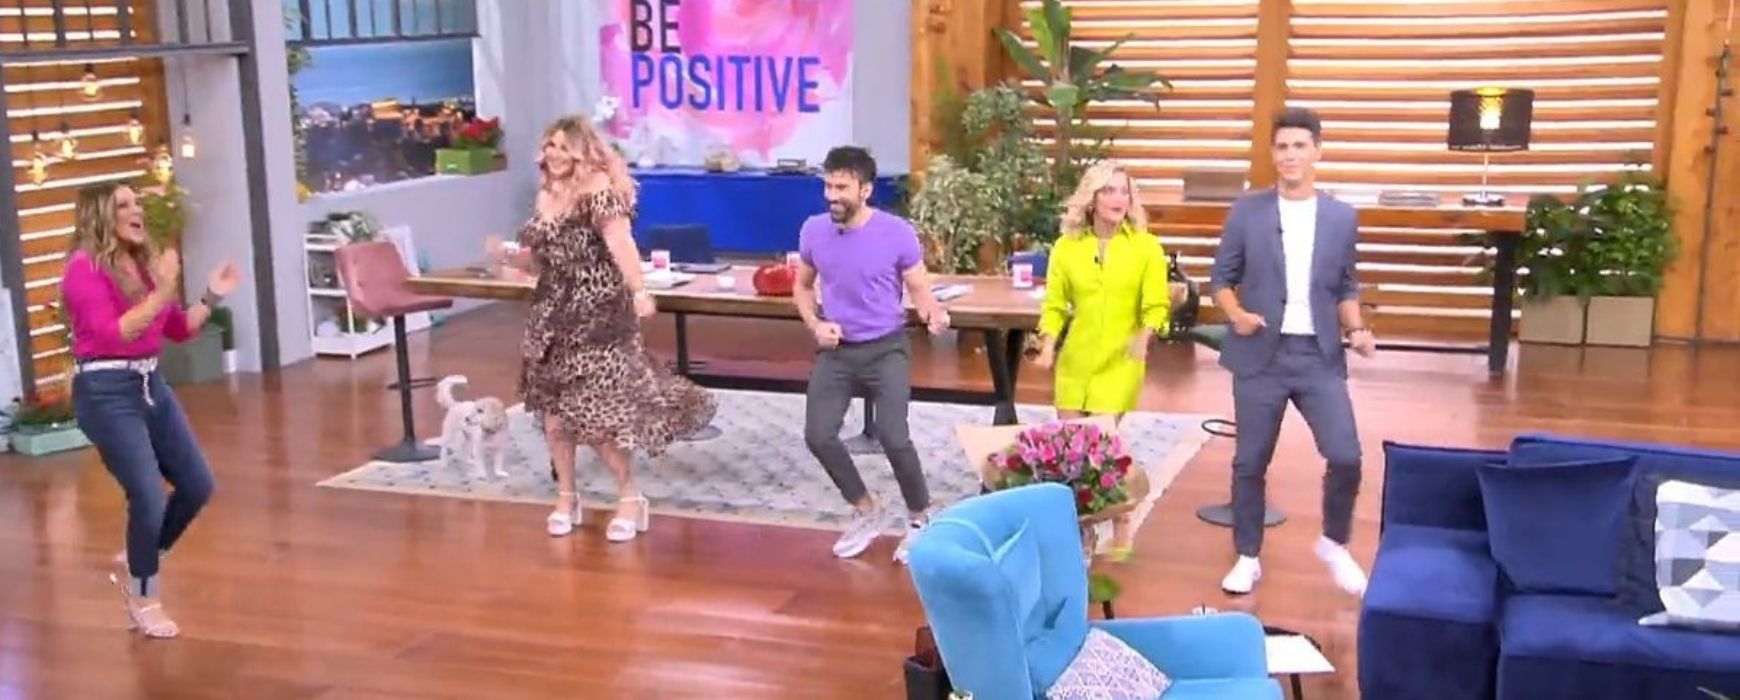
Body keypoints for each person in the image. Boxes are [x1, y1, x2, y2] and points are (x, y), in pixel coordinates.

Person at [488, 115, 716, 542]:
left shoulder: (599, 190)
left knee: (596, 419)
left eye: (563, 146)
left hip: (598, 317)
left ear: (582, 151)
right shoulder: (545, 195)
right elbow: (541, 261)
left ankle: (630, 498)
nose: (554, 154)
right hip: (551, 318)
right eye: (550, 145)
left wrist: (639, 290)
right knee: (555, 417)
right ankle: (566, 497)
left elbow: (622, 245)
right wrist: (508, 258)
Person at [60, 182, 241, 638]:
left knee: (197, 484)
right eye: (123, 205)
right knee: (148, 494)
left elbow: (179, 328)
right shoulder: (83, 269)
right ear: (100, 217)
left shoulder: (140, 268)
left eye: (136, 202)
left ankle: (143, 555)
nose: (136, 209)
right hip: (105, 391)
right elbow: (113, 333)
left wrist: (211, 295)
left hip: (150, 384)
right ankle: (144, 599)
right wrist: (161, 290)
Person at [1209, 107, 1376, 597]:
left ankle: (1334, 543)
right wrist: (1237, 315)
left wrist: (1357, 329)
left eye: (1300, 145)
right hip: (1260, 354)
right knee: (1250, 462)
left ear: (1317, 151)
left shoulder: (1341, 217)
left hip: (1318, 356)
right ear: (1272, 153)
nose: (1290, 155)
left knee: (1346, 455)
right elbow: (1221, 280)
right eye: (1282, 147)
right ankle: (1247, 555)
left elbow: (1345, 285)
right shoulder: (1248, 211)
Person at [795, 146, 950, 563]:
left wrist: (933, 314)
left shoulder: (896, 232)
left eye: (841, 188)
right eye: (828, 186)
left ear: (865, 190)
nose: (832, 196)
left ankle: (920, 517)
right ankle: (867, 510)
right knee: (818, 435)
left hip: (886, 349)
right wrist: (815, 323)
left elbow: (918, 288)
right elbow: (803, 286)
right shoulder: (813, 230)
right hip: (837, 351)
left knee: (893, 436)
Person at [1034, 159, 1173, 559]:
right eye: (1108, 190)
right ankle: (1085, 529)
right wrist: (1047, 345)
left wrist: (1144, 338)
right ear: (1092, 199)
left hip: (1121, 361)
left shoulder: (1146, 247)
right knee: (1071, 454)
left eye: (1123, 191)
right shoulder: (1067, 248)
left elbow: (1157, 306)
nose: (1118, 198)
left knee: (1099, 447)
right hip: (1075, 362)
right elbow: (1055, 306)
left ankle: (1122, 518)